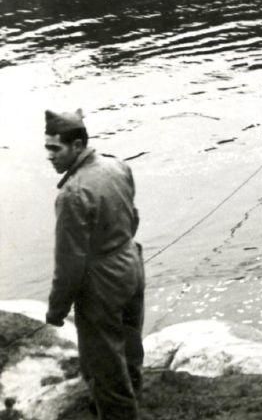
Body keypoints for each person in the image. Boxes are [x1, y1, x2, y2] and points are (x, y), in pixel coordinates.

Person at [43, 110, 145, 420]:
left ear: (77, 146)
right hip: (132, 265)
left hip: (101, 283)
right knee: (129, 345)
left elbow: (69, 263)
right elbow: (133, 216)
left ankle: (117, 411)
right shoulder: (117, 166)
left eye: (55, 149)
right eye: (47, 148)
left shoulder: (72, 194)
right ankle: (132, 395)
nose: (49, 156)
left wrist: (57, 310)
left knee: (105, 365)